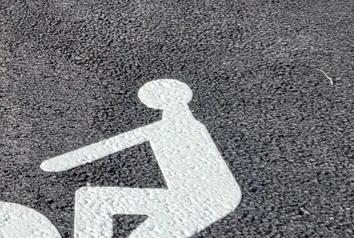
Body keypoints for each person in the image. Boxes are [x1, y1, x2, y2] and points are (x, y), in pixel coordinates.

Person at [41, 79, 241, 237]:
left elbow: (108, 146)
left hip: (199, 199)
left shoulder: (166, 127)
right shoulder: (188, 125)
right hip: (200, 196)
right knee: (94, 198)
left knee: (92, 198)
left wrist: (56, 164)